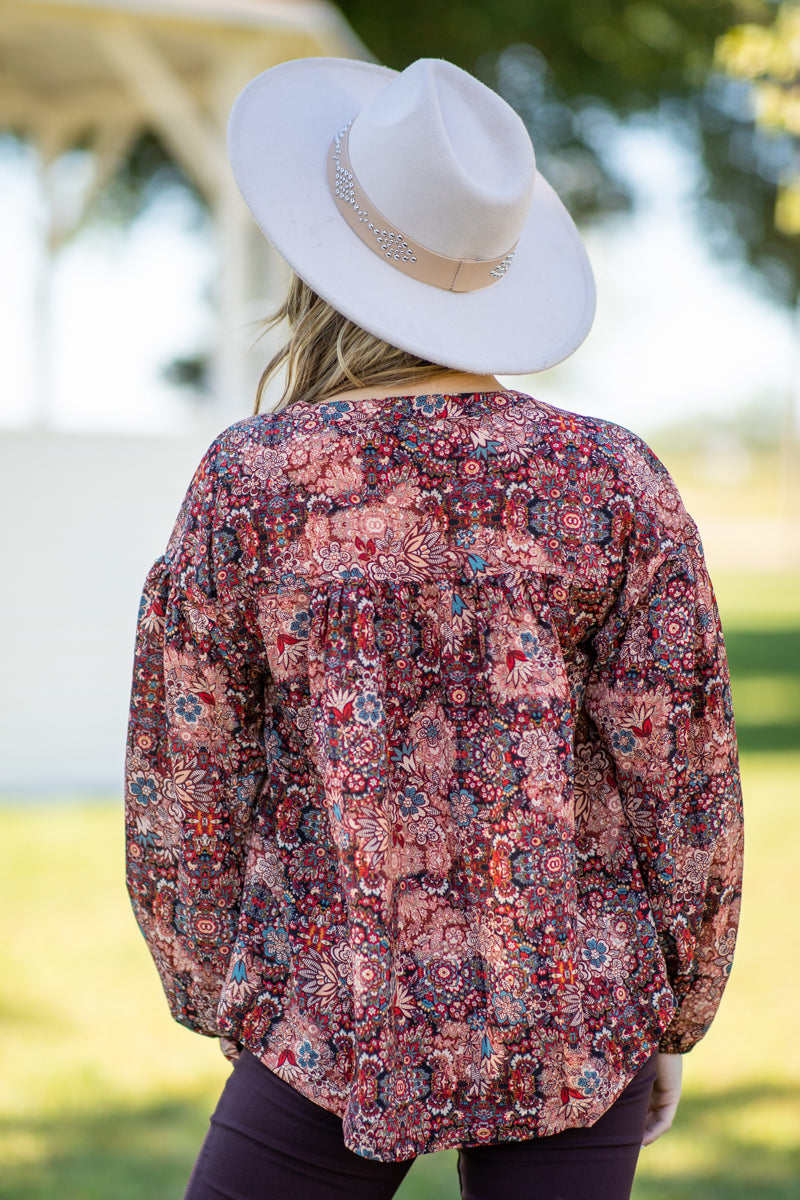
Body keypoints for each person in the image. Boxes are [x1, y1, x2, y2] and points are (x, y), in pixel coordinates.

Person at [124, 56, 743, 1200]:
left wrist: (218, 987)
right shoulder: (606, 478)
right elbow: (683, 777)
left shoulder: (253, 480)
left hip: (320, 997)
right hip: (575, 1006)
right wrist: (676, 1005)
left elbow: (184, 778)